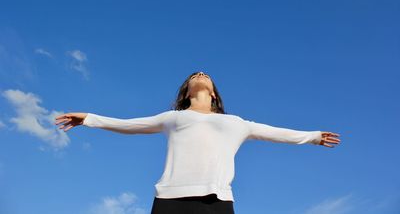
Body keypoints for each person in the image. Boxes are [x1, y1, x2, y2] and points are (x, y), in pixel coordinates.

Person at [54, 71, 341, 214]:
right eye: (195, 75)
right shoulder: (173, 118)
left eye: (205, 75)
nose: (201, 73)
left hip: (217, 202)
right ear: (186, 91)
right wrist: (90, 118)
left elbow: (277, 132)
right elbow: (129, 125)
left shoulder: (236, 124)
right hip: (169, 201)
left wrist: (313, 137)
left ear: (214, 94)